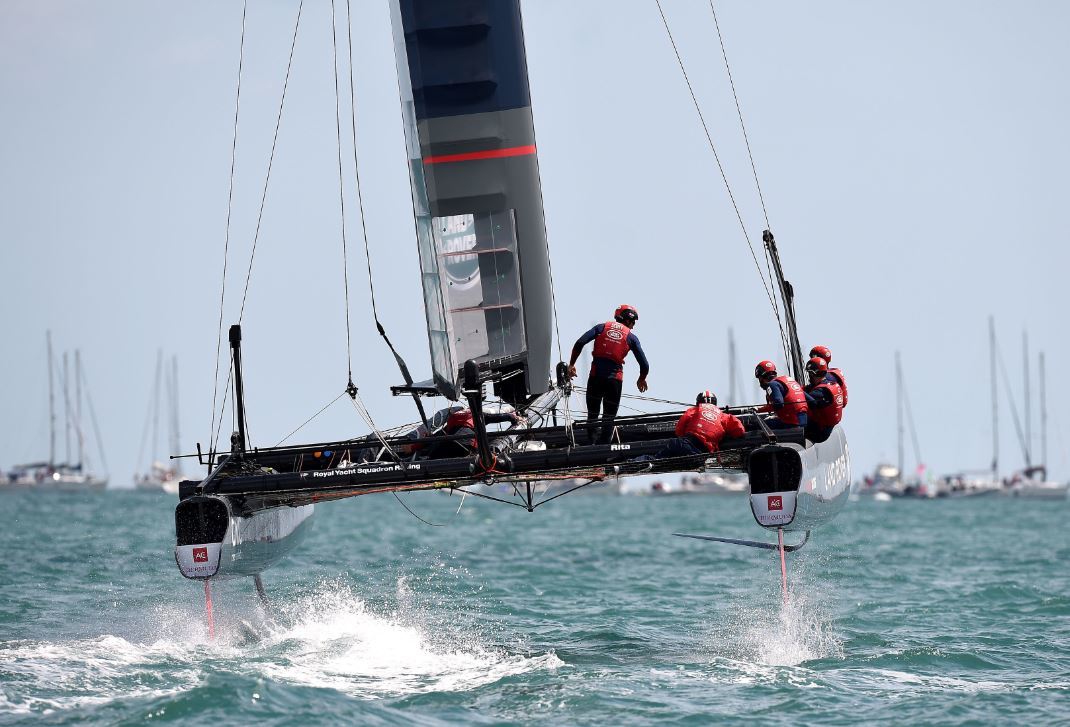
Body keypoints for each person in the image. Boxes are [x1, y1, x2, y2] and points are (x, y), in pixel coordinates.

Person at [568, 305, 650, 444]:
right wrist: (642, 379)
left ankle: (591, 447)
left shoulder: (601, 327)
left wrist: (571, 364)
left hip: (595, 377)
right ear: (628, 320)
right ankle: (604, 449)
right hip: (614, 381)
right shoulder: (631, 337)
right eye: (633, 323)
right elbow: (645, 364)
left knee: (592, 415)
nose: (633, 326)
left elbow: (580, 342)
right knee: (609, 418)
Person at [656, 391, 746, 458]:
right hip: (703, 454)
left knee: (660, 455)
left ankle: (644, 461)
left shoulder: (694, 410)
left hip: (687, 444)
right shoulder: (724, 416)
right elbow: (740, 430)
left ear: (698, 402)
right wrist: (724, 435)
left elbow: (679, 430)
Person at [420, 405, 522, 459]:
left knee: (433, 456)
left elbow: (441, 434)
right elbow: (496, 417)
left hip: (452, 442)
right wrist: (513, 417)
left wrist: (428, 439)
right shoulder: (474, 414)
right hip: (468, 444)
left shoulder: (454, 418)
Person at [754, 360, 808, 429]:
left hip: (791, 423)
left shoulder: (772, 384)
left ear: (761, 378)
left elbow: (778, 403)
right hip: (804, 422)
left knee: (754, 426)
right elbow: (810, 400)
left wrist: (759, 410)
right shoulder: (789, 380)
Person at [802, 356, 844, 443]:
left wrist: (795, 389)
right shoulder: (830, 384)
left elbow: (807, 400)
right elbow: (807, 389)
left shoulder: (820, 392)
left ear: (813, 373)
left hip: (817, 433)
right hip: (825, 429)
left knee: (778, 423)